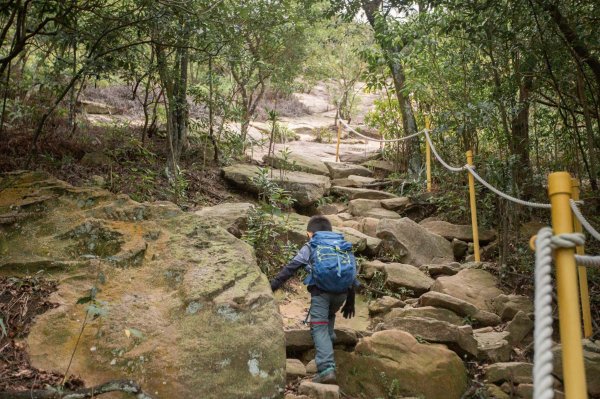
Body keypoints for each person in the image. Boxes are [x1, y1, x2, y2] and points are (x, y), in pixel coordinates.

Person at [270, 215, 358, 384]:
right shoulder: (341, 245)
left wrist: (270, 288)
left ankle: (326, 369)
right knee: (328, 318)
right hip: (342, 293)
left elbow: (290, 269)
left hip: (321, 293)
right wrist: (351, 300)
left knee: (318, 327)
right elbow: (352, 272)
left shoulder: (312, 245)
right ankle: (328, 350)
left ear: (310, 233)